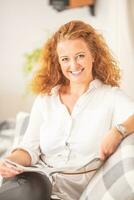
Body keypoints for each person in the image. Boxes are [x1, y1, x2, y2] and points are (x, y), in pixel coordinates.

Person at [0, 20, 134, 200]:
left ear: (93, 55)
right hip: (31, 181)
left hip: (65, 193)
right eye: (65, 59)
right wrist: (10, 161)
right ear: (58, 62)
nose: (74, 65)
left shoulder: (111, 97)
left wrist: (118, 131)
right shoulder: (46, 98)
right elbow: (29, 148)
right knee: (29, 189)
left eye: (80, 55)